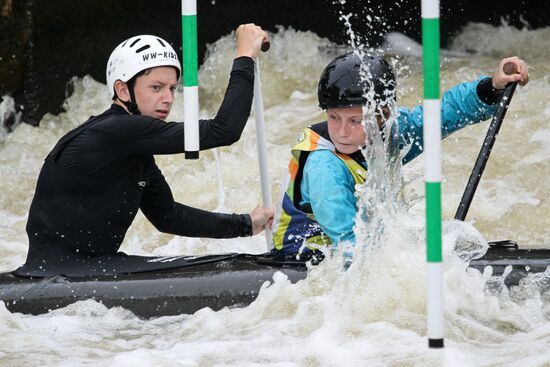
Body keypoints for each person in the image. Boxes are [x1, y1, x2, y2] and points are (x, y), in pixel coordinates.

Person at [15, 24, 273, 277]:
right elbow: (224, 130)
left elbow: (168, 216)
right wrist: (244, 56)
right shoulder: (116, 131)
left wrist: (246, 224)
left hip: (84, 268)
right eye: (156, 87)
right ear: (123, 90)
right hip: (61, 273)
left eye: (172, 88)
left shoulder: (129, 147)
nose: (168, 98)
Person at [271, 53, 529, 260]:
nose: (342, 132)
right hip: (308, 256)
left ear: (383, 115)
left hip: (360, 245)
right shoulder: (324, 166)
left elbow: (444, 114)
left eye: (356, 121)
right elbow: (348, 244)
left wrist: (493, 86)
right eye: (333, 117)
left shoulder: (391, 133)